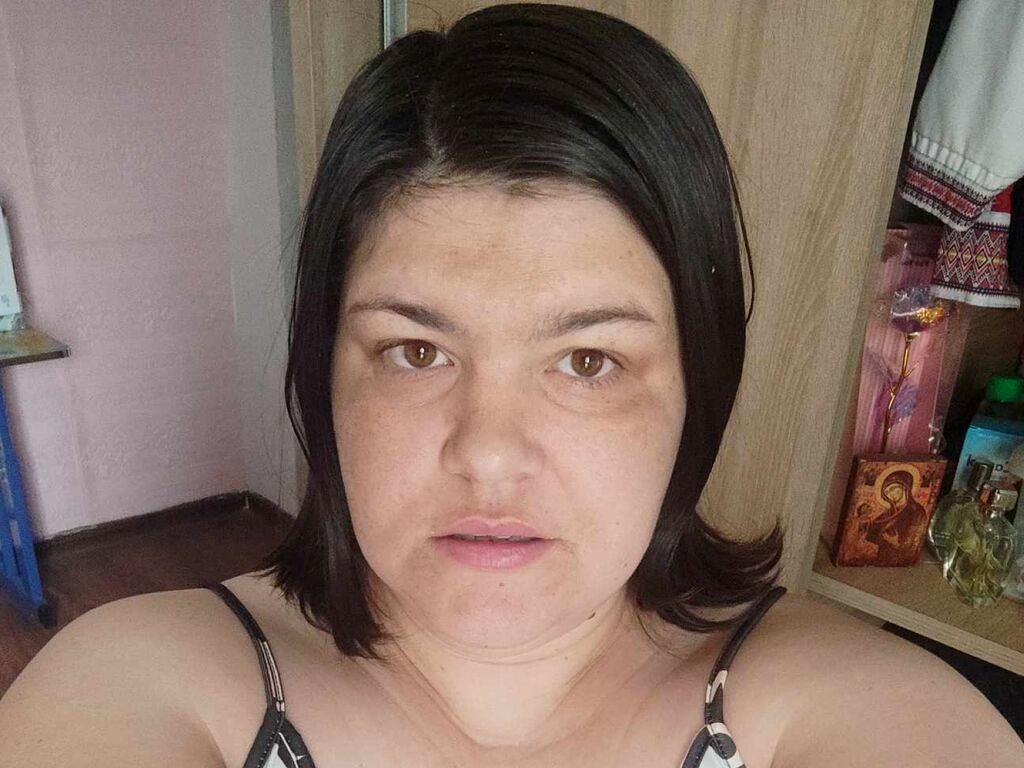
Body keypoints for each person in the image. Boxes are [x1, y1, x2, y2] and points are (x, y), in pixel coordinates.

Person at [1, 4, 1021, 766]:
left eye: (587, 361)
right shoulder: (152, 680)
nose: (487, 452)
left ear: (695, 394)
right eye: (416, 351)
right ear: (324, 375)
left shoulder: (835, 706)